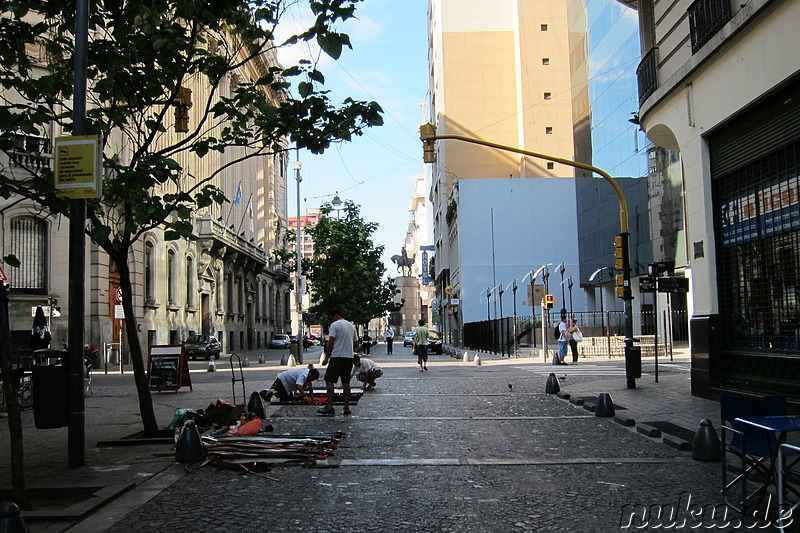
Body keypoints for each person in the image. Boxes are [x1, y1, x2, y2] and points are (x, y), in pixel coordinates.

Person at [318, 310, 357, 416]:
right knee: (346, 383)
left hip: (337, 357)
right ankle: (346, 407)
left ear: (335, 315)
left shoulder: (335, 325)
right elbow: (355, 341)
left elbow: (331, 341)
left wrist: (327, 357)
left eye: (331, 318)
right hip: (349, 357)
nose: (331, 320)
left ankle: (330, 406)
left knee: (329, 380)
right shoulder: (351, 325)